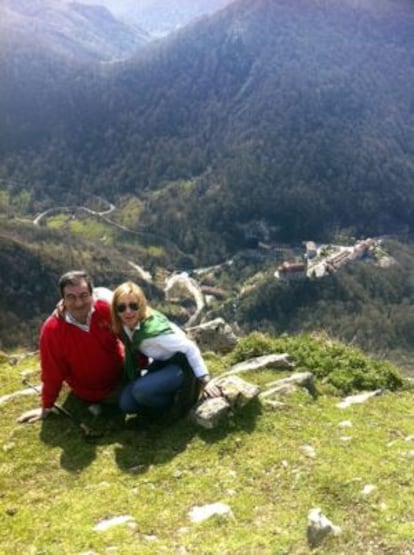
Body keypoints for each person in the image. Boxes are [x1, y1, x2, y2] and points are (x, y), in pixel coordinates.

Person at [18, 270, 124, 423]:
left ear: (92, 294)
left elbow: (129, 338)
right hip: (91, 392)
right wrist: (46, 405)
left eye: (83, 295)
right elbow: (52, 371)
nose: (79, 303)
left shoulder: (105, 309)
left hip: (121, 376)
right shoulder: (52, 330)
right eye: (71, 297)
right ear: (63, 300)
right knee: (135, 401)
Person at [111, 281, 220, 421]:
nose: (128, 311)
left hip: (181, 366)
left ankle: (172, 404)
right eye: (121, 307)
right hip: (161, 364)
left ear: (141, 305)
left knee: (140, 391)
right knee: (126, 404)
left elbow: (190, 348)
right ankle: (158, 395)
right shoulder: (127, 326)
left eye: (133, 305)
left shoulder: (155, 332)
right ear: (116, 310)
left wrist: (205, 380)